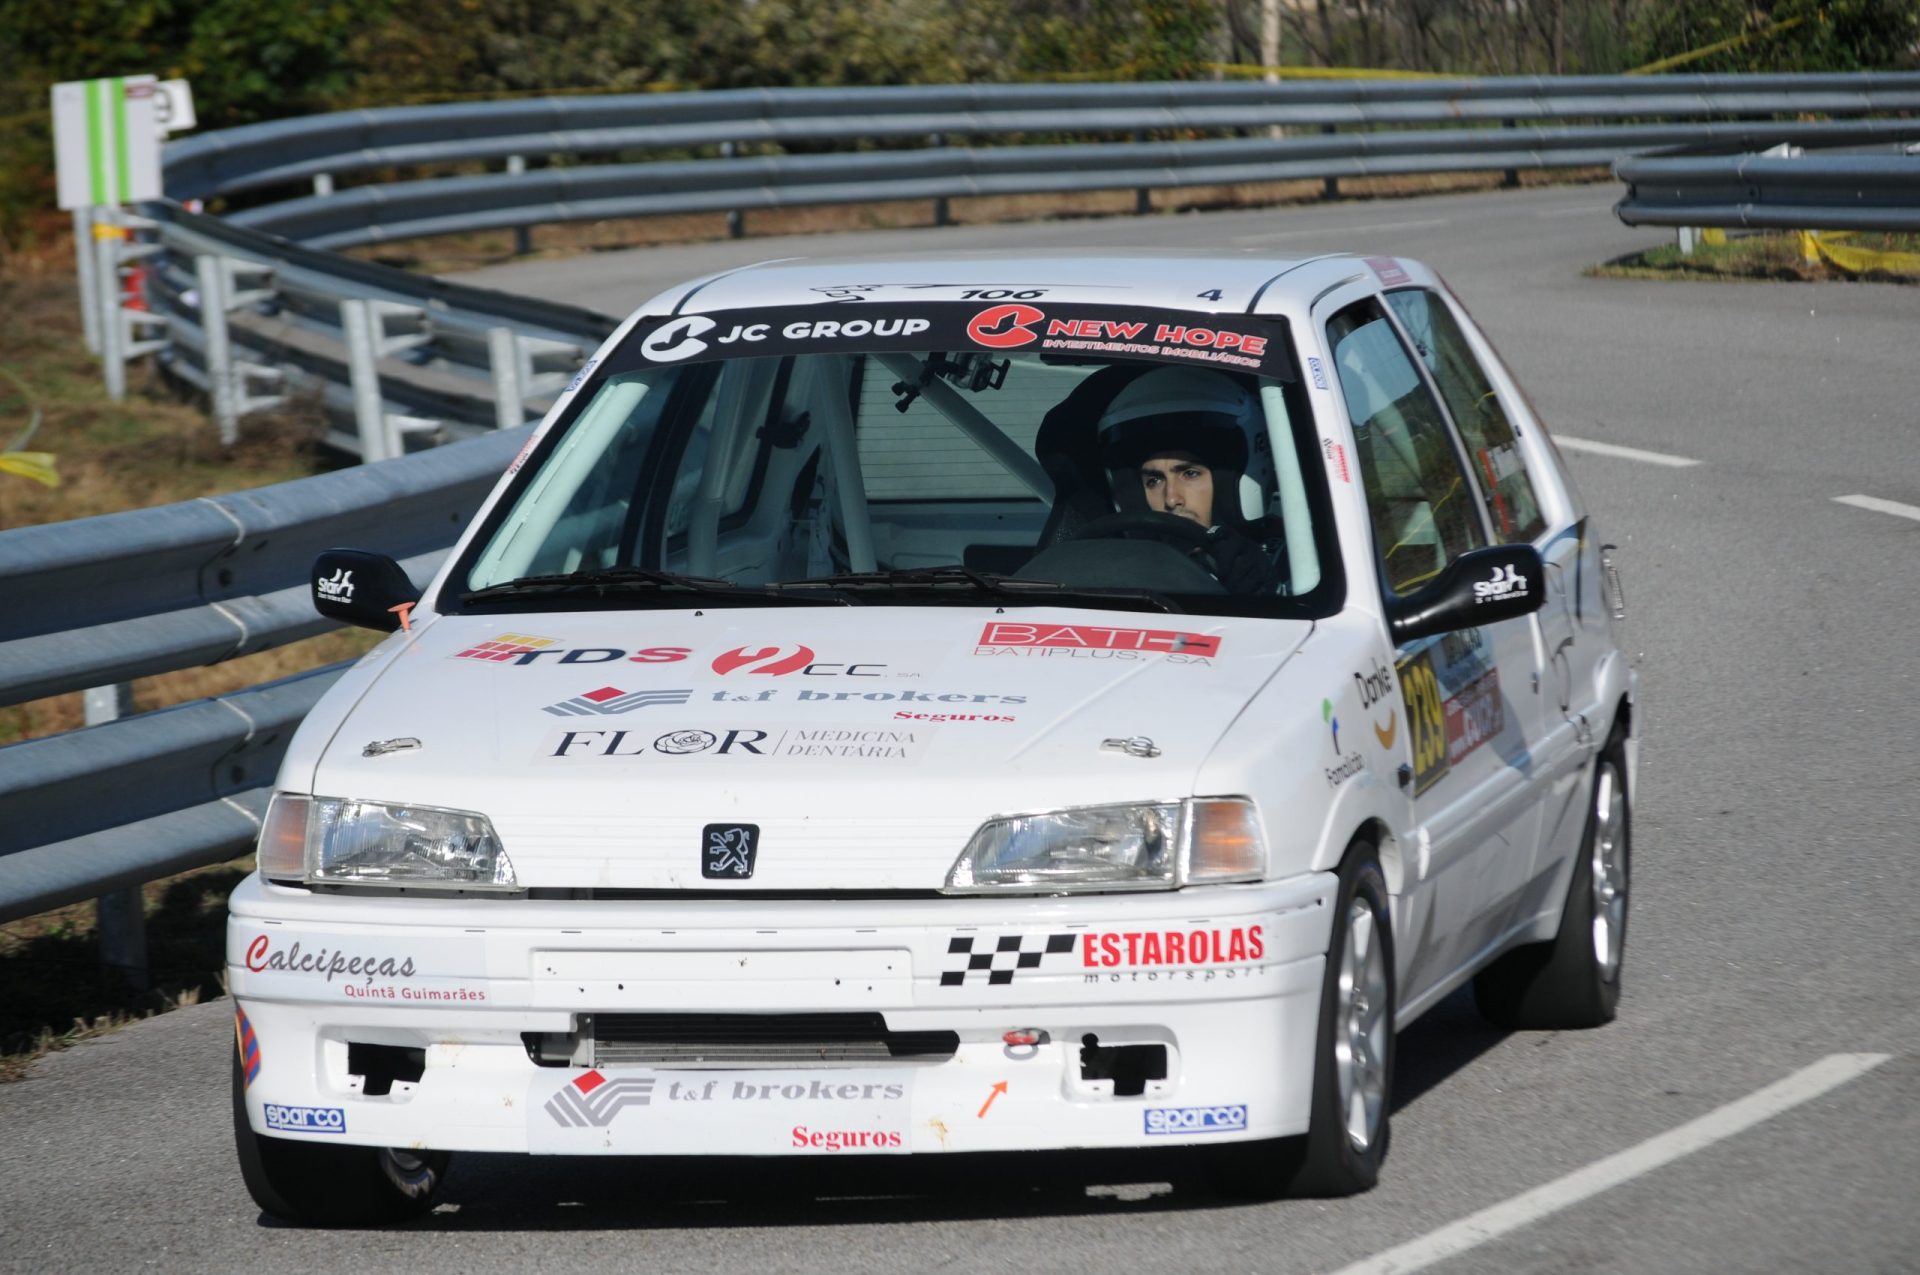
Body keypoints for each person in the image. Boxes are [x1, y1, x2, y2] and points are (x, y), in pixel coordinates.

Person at [1095, 366, 1281, 593]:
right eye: (1154, 480)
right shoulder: (1114, 572)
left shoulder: (1303, 569)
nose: (1172, 499)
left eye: (1190, 474)